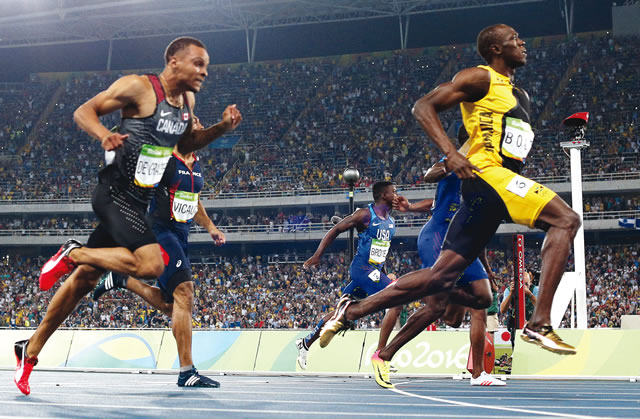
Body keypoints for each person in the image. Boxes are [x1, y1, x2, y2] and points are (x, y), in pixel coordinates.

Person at [319, 23, 580, 359]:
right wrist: (452, 154)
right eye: (514, 39)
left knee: (440, 280)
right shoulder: (479, 78)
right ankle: (539, 323)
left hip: (489, 193)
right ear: (496, 49)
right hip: (489, 178)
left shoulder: (520, 96)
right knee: (565, 219)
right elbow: (422, 107)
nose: (522, 42)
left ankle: (351, 312)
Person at [14, 37, 242, 395]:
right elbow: (83, 111)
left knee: (84, 281)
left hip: (136, 204)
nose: (204, 71)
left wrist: (221, 129)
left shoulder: (188, 103)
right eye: (198, 63)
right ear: (174, 61)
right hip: (113, 195)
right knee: (150, 264)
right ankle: (72, 252)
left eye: (206, 65)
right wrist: (105, 134)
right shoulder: (139, 87)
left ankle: (28, 352)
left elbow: (185, 146)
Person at [92, 116, 225, 387]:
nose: (200, 125)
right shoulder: (166, 159)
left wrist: (211, 227)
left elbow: (194, 201)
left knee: (172, 305)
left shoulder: (195, 164)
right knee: (185, 291)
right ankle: (187, 371)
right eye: (196, 123)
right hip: (160, 232)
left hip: (181, 234)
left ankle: (122, 280)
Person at [370, 157, 504, 388]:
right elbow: (430, 175)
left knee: (456, 317)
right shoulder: (454, 159)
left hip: (465, 241)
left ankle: (478, 374)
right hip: (438, 238)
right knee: (438, 307)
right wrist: (452, 164)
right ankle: (385, 352)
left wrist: (488, 269)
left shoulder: (486, 174)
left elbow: (474, 226)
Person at [296, 181, 402, 370]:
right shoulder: (364, 214)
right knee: (396, 297)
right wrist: (317, 255)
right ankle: (381, 355)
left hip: (373, 271)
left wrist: (382, 273)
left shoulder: (391, 221)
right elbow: (336, 229)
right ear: (383, 195)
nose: (396, 195)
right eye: (393, 192)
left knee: (342, 313)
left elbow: (380, 253)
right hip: (361, 270)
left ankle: (306, 343)